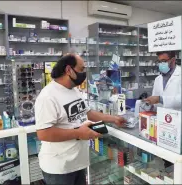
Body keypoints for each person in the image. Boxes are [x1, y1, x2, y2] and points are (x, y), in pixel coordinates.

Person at [35, 54, 126, 185]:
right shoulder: (48, 96)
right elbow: (43, 133)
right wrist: (78, 133)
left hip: (78, 162)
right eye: (82, 69)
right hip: (59, 167)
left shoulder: (74, 90)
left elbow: (88, 113)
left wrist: (113, 118)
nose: (84, 73)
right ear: (68, 70)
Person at [144, 51, 182, 117]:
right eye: (159, 61)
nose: (161, 64)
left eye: (164, 61)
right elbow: (155, 102)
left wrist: (160, 99)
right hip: (161, 120)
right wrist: (150, 104)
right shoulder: (158, 79)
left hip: (178, 120)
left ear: (173, 60)